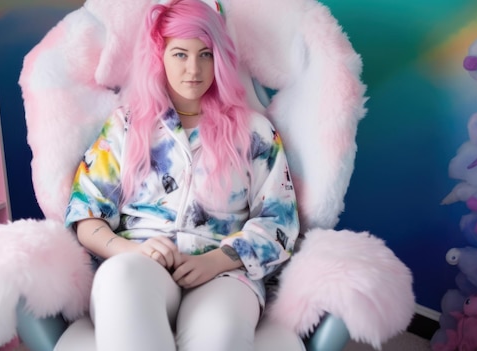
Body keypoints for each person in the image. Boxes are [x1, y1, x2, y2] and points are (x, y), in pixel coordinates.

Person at [64, 0, 300, 350]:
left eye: (205, 54)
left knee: (219, 332)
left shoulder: (255, 132)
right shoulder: (125, 125)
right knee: (121, 281)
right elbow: (86, 213)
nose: (194, 68)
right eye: (180, 54)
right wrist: (130, 250)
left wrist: (218, 259)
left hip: (223, 271)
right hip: (141, 264)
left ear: (219, 58)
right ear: (159, 56)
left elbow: (279, 224)